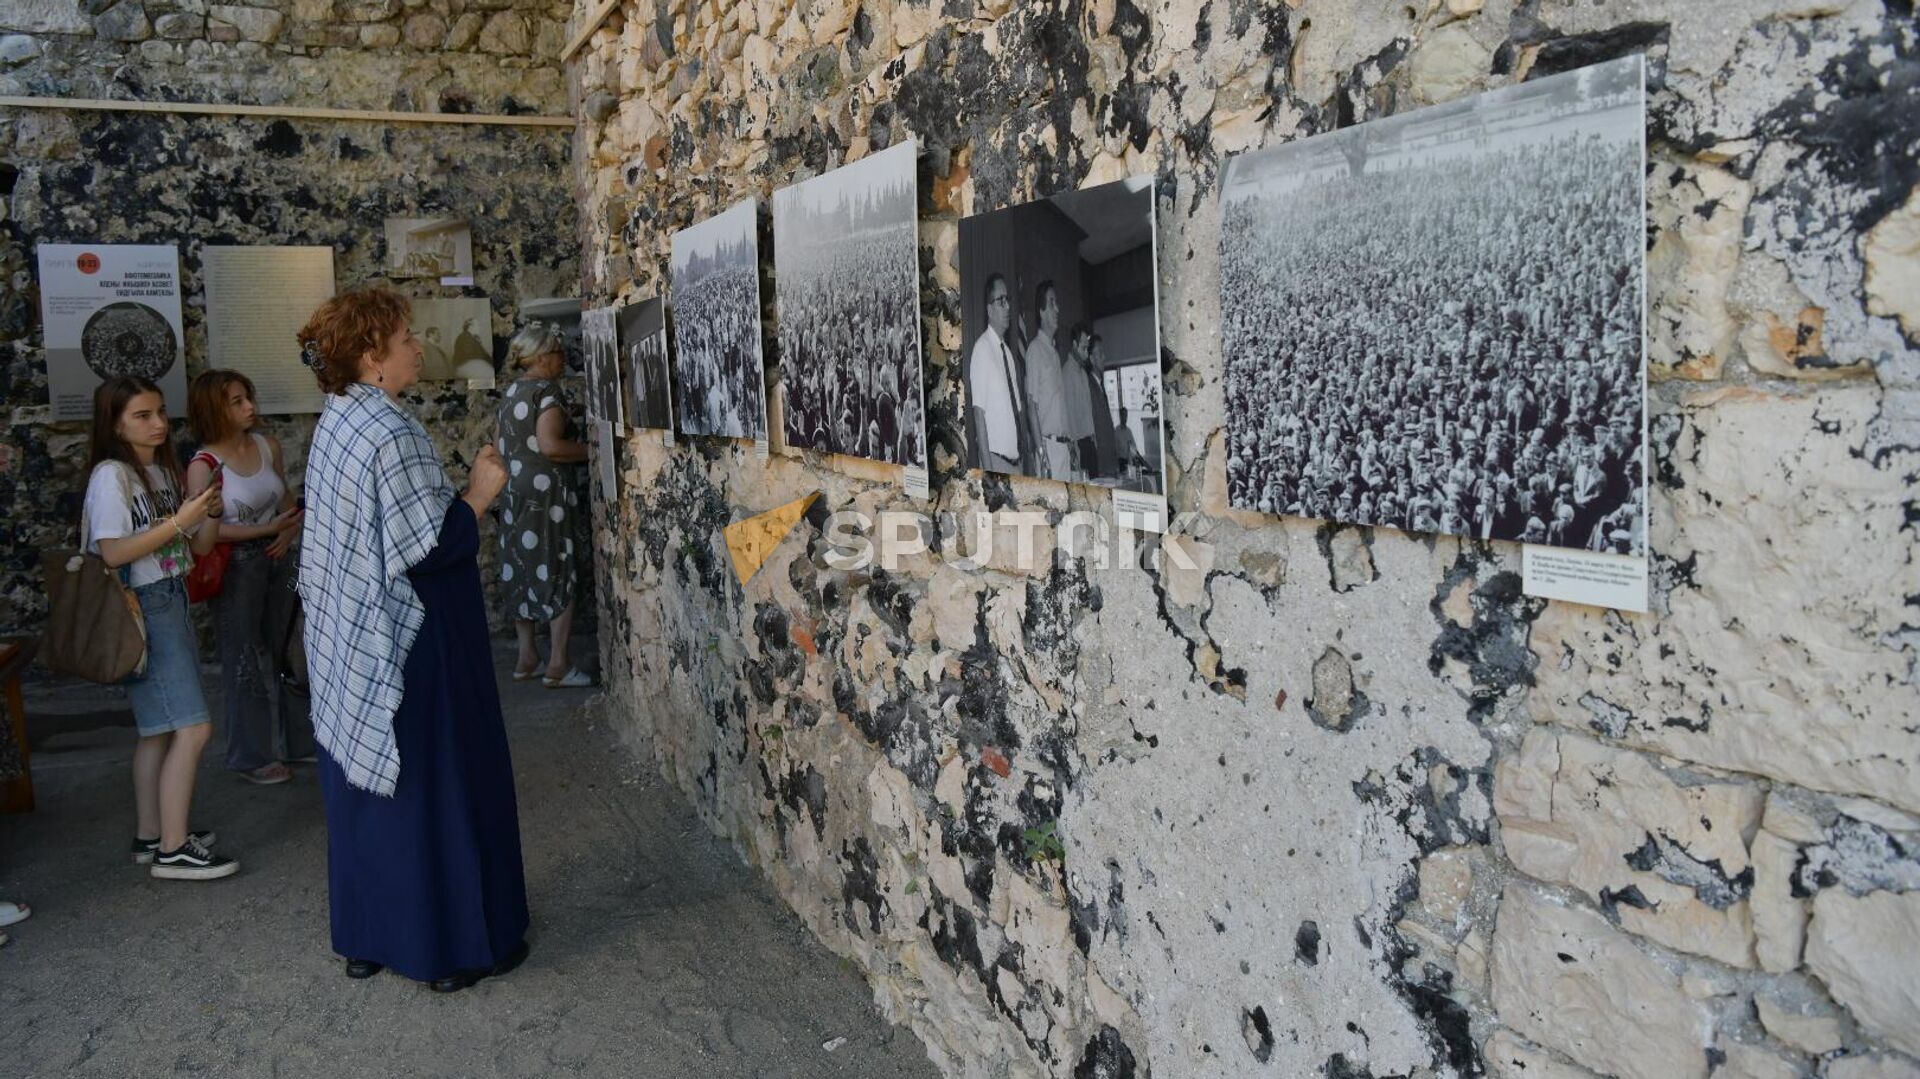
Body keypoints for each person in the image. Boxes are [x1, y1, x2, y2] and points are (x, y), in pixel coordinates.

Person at [297, 288, 529, 991]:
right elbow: (427, 546)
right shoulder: (389, 432)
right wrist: (481, 492)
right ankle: (454, 949)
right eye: (404, 337)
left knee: (366, 788)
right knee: (437, 780)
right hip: (414, 636)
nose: (417, 346)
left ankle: (370, 936)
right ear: (372, 357)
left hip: (350, 631)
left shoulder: (337, 418)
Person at [82, 376, 236, 880]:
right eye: (142, 416)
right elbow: (111, 552)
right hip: (144, 606)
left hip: (170, 597)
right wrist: (177, 522)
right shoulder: (112, 475)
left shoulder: (162, 473)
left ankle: (152, 834)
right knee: (193, 727)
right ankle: (174, 847)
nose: (158, 424)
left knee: (158, 732)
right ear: (116, 424)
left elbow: (195, 549)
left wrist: (206, 513)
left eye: (160, 412)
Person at [186, 370, 313, 786]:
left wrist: (290, 528)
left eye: (248, 398)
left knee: (295, 652)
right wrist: (265, 531)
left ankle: (302, 742)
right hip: (238, 566)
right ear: (213, 410)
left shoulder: (266, 444)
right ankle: (252, 755)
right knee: (243, 661)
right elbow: (202, 530)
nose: (249, 408)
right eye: (237, 401)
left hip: (280, 558)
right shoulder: (204, 465)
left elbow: (289, 503)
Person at [496, 324, 593, 688]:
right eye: (556, 352)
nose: (562, 358)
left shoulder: (511, 394)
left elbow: (500, 444)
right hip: (547, 494)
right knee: (556, 566)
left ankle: (526, 657)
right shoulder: (546, 392)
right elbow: (551, 445)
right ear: (540, 358)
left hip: (516, 492)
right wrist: (592, 452)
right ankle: (558, 664)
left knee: (520, 566)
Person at [967, 272, 1028, 474]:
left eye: (1007, 300)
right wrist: (989, 476)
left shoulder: (1009, 356)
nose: (1008, 307)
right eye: (1001, 301)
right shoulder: (981, 349)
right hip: (996, 464)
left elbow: (1018, 416)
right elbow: (978, 416)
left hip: (1017, 465)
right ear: (989, 309)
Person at [1024, 282, 1072, 480]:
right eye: (1052, 304)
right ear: (1041, 312)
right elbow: (1031, 405)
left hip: (1064, 449)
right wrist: (1041, 452)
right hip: (1048, 450)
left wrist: (1071, 442)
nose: (1057, 309)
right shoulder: (1035, 350)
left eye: (1057, 303)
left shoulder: (1054, 353)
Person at [451, 316, 493, 382]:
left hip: (472, 366)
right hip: (467, 367)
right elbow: (471, 356)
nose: (480, 327)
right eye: (478, 325)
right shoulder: (465, 338)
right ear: (470, 326)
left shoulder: (472, 338)